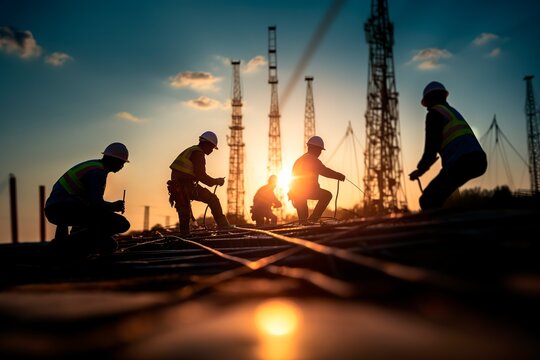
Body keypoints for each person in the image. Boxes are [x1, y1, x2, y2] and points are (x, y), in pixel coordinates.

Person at [409, 81, 488, 210]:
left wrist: (420, 170)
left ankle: (441, 229)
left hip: (462, 162)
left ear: (429, 100)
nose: (427, 108)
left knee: (427, 200)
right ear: (444, 96)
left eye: (427, 105)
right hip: (478, 160)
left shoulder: (434, 114)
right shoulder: (453, 113)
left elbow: (430, 150)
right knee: (449, 198)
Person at [44, 142, 131, 256]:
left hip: (59, 209)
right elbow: (96, 205)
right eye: (121, 163)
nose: (122, 167)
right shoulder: (97, 172)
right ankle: (61, 245)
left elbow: (87, 208)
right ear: (113, 160)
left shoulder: (93, 167)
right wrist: (113, 206)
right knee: (121, 223)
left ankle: (69, 248)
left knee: (109, 244)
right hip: (63, 209)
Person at [167, 131, 230, 234]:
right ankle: (224, 226)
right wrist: (216, 181)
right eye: (212, 147)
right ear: (206, 144)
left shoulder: (191, 150)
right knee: (213, 199)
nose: (212, 150)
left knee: (184, 214)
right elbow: (201, 176)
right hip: (185, 186)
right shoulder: (198, 153)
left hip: (177, 187)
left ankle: (184, 236)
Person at [288, 135, 345, 223]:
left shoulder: (300, 160)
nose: (320, 153)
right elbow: (325, 171)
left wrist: (291, 193)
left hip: (296, 192)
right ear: (315, 149)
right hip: (305, 191)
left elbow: (292, 179)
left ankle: (307, 227)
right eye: (320, 150)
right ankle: (313, 220)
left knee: (303, 220)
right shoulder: (312, 160)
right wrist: (339, 176)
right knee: (327, 195)